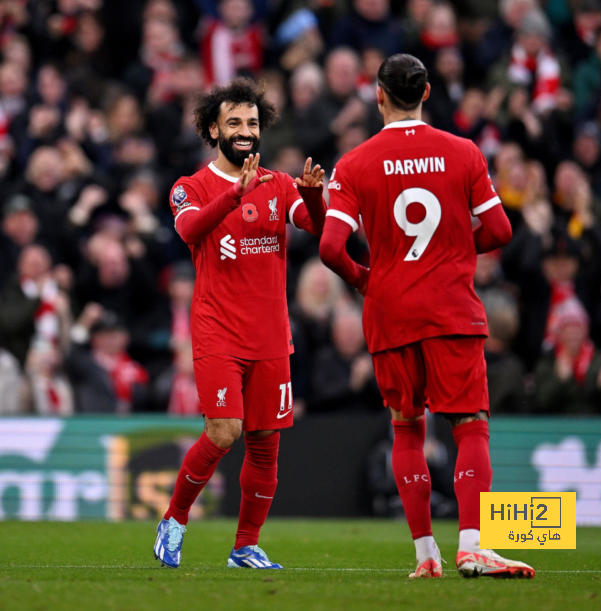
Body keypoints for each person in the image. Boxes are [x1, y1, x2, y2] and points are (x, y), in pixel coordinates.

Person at [319, 53, 534, 579]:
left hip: (390, 313)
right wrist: (457, 247)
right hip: (450, 310)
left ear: (378, 96)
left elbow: (330, 247)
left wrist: (369, 279)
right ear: (428, 92)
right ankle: (472, 545)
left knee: (407, 429)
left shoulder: (355, 162)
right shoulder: (463, 152)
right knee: (469, 425)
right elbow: (502, 231)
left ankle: (425, 556)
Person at [153, 77, 327, 570]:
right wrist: (233, 196)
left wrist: (313, 196)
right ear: (213, 129)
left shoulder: (280, 183)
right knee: (224, 431)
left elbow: (314, 223)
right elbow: (188, 229)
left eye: (252, 122)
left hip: (271, 335)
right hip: (217, 332)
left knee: (265, 444)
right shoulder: (189, 188)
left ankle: (245, 546)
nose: (245, 130)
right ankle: (174, 519)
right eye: (234, 122)